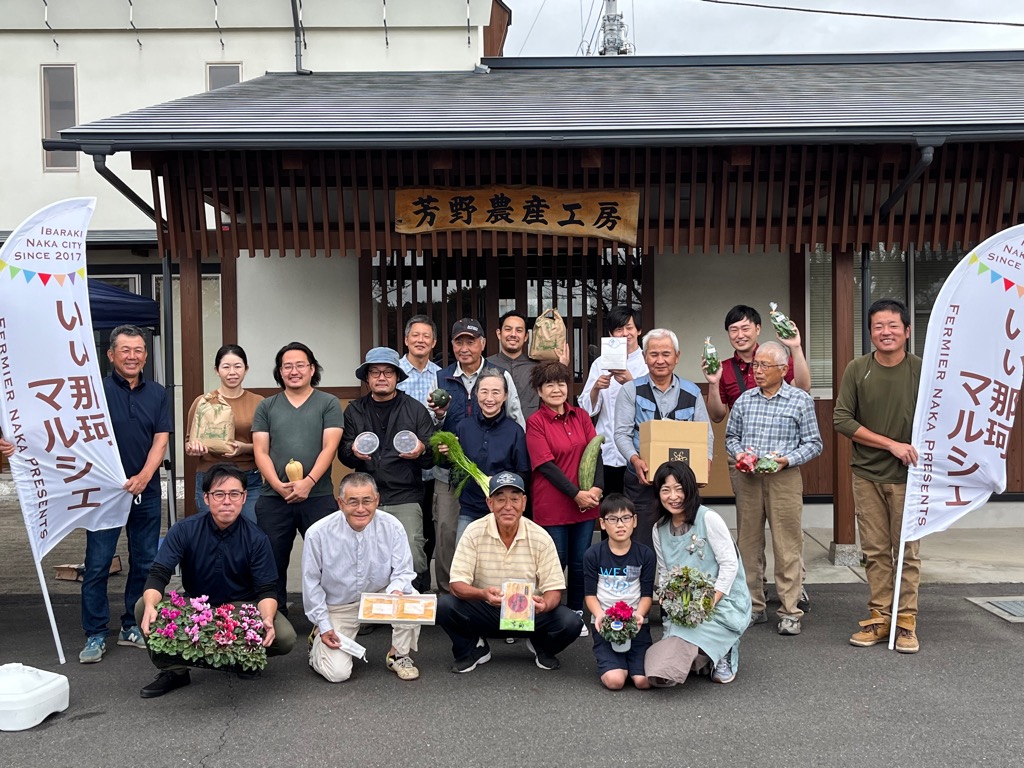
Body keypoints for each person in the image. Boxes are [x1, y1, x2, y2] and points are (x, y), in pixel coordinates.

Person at [136, 464, 296, 698]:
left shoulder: (257, 538)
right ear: (206, 498)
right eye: (219, 494)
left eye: (234, 494)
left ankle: (244, 658)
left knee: (284, 636)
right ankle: (174, 671)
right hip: (197, 606)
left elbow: (267, 590)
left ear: (244, 498)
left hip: (241, 607)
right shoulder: (184, 530)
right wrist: (151, 604)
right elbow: (159, 574)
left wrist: (268, 617)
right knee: (143, 605)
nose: (227, 501)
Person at [703, 303, 812, 612]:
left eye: (745, 327)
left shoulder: (778, 359)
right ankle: (754, 598)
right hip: (744, 463)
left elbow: (803, 388)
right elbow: (718, 415)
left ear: (758, 329)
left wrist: (795, 348)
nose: (739, 334)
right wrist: (713, 385)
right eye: (733, 330)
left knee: (786, 533)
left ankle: (793, 592)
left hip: (782, 462)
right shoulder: (723, 368)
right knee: (749, 533)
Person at [78, 325, 172, 664]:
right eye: (125, 350)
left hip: (144, 491)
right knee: (98, 563)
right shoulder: (93, 391)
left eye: (138, 350)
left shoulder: (158, 393)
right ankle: (95, 633)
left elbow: (161, 439)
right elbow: (60, 429)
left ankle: (133, 624)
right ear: (111, 354)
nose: (132, 356)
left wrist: (146, 476)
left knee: (145, 561)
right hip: (104, 492)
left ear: (145, 356)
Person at [834, 298, 923, 653]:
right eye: (878, 327)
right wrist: (891, 445)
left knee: (907, 551)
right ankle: (879, 616)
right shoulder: (858, 369)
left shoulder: (922, 369)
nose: (885, 332)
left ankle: (906, 622)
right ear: (870, 332)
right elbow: (842, 419)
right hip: (867, 474)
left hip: (910, 478)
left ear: (907, 331)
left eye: (893, 326)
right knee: (874, 551)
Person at [436, 471, 584, 672]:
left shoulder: (540, 536)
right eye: (500, 499)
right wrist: (483, 594)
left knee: (571, 622)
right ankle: (471, 648)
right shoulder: (473, 531)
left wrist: (545, 604)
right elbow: (456, 585)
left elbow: (554, 589)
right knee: (444, 605)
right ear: (490, 503)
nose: (508, 506)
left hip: (528, 611)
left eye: (514, 499)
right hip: (486, 608)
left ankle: (541, 645)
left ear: (524, 503)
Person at [725, 341, 823, 635]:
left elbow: (814, 443)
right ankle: (754, 605)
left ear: (783, 369)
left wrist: (787, 460)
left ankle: (790, 608)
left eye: (765, 365)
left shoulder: (799, 400)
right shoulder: (744, 400)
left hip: (784, 477)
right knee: (748, 542)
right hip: (748, 477)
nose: (758, 371)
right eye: (756, 365)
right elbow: (731, 437)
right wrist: (739, 453)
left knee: (787, 543)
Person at [429, 318, 525, 593]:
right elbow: (429, 428)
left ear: (483, 343)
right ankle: (452, 595)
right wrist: (439, 421)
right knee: (448, 535)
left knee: (493, 536)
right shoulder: (441, 377)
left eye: (471, 341)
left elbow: (515, 417)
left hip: (492, 476)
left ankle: (493, 595)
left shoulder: (498, 375)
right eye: (459, 342)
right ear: (452, 345)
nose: (465, 347)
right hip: (450, 473)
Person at [302, 473, 422, 683]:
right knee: (337, 674)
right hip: (339, 606)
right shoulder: (318, 533)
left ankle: (398, 655)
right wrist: (324, 622)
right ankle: (317, 643)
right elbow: (311, 583)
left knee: (412, 598)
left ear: (377, 500)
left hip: (379, 598)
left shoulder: (392, 526)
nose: (360, 509)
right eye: (352, 501)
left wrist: (396, 591)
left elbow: (403, 572)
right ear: (340, 503)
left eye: (367, 501)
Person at [252, 342, 344, 612]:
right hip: (274, 497)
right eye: (287, 366)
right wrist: (277, 485)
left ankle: (333, 615)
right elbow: (261, 451)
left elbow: (330, 447)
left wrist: (309, 482)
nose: (294, 371)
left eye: (300, 365)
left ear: (312, 368)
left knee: (328, 559)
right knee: (271, 559)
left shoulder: (328, 403)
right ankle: (274, 615)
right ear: (279, 372)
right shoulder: (267, 406)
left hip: (318, 495)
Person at [645, 462, 751, 687]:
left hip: (721, 601)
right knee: (659, 670)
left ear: (691, 489)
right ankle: (704, 656)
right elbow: (664, 570)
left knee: (681, 655)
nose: (673, 496)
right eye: (666, 490)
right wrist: (667, 597)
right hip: (685, 603)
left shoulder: (708, 518)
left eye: (679, 488)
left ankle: (726, 650)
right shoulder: (659, 528)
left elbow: (729, 565)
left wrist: (710, 600)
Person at [613, 328, 714, 550]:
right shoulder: (631, 390)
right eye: (654, 354)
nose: (660, 360)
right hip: (642, 481)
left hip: (682, 484)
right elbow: (621, 433)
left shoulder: (693, 392)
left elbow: (705, 434)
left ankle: (679, 584)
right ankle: (646, 584)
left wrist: (705, 464)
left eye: (666, 354)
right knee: (642, 542)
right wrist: (634, 459)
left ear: (677, 357)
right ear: (645, 357)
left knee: (685, 541)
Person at [339, 347, 435, 581]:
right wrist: (353, 453)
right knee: (365, 555)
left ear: (397, 377)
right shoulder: (354, 410)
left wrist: (421, 450)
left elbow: (432, 455)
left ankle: (413, 605)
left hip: (405, 494)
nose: (382, 377)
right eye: (375, 372)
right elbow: (343, 452)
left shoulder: (414, 409)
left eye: (388, 372)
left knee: (412, 550)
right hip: (366, 495)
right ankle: (370, 609)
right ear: (367, 378)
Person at [526, 361, 604, 636]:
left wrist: (596, 489)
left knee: (582, 560)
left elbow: (596, 453)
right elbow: (545, 465)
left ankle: (577, 611)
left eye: (561, 383)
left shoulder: (581, 416)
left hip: (586, 504)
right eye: (549, 384)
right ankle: (552, 614)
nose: (556, 389)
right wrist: (576, 494)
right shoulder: (535, 423)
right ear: (539, 390)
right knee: (555, 562)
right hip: (554, 505)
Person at [438, 368, 530, 543]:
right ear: (476, 394)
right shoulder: (463, 427)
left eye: (496, 392)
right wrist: (447, 454)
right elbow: (455, 469)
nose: (489, 399)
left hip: (504, 510)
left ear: (505, 396)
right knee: (464, 564)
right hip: (469, 510)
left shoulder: (515, 431)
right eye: (484, 391)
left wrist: (499, 481)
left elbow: (524, 473)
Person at [583, 494, 656, 690]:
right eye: (613, 519)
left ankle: (632, 663)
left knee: (643, 681)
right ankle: (615, 664)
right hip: (606, 624)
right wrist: (599, 616)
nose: (620, 524)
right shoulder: (593, 554)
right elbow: (590, 595)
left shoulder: (645, 554)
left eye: (626, 518)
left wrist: (639, 615)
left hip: (636, 624)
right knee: (616, 681)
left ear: (635, 521)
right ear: (603, 524)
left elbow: (647, 595)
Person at [184, 344, 264, 522]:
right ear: (217, 370)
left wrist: (244, 448)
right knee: (214, 533)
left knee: (249, 532)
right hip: (210, 476)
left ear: (246, 369)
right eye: (226, 367)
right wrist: (193, 448)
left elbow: (268, 445)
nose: (232, 372)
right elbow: (189, 442)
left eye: (238, 366)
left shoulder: (259, 403)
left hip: (248, 478)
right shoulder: (203, 402)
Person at [579, 306, 648, 497]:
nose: (625, 333)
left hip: (639, 451)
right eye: (619, 329)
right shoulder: (600, 363)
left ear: (638, 330)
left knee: (638, 509)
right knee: (609, 508)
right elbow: (587, 410)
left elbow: (654, 406)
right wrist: (595, 389)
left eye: (629, 328)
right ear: (611, 333)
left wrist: (631, 383)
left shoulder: (646, 362)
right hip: (607, 447)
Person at [396, 314, 442, 593]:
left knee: (428, 529)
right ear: (406, 340)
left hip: (429, 467)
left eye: (426, 336)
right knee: (400, 531)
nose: (420, 340)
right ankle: (398, 586)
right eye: (415, 335)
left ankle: (421, 586)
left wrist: (440, 415)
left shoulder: (441, 376)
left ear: (434, 342)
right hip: (398, 468)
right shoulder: (394, 373)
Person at [487, 309, 569, 420]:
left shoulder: (538, 367)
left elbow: (555, 396)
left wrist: (562, 367)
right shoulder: (486, 365)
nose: (513, 334)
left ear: (526, 336)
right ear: (499, 333)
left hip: (531, 430)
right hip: (493, 430)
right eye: (508, 329)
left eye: (519, 330)